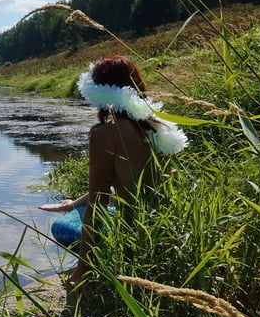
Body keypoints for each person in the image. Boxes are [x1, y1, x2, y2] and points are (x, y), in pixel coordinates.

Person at [39, 56, 187, 283]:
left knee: (61, 226)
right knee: (78, 210)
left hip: (130, 231)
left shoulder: (105, 134)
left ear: (99, 92)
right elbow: (127, 182)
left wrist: (82, 269)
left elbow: (99, 201)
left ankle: (97, 261)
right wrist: (74, 203)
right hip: (160, 227)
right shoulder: (159, 126)